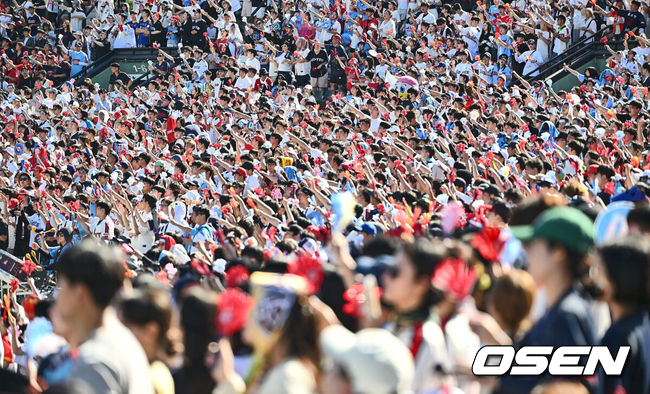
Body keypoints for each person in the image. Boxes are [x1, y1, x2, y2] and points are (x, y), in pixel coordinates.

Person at [502, 207, 597, 393]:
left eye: (534, 244)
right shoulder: (561, 307)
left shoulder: (568, 315)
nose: (525, 251)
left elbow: (571, 386)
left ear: (558, 253)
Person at [51, 239, 154, 393]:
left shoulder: (95, 361)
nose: (58, 294)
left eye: (63, 286)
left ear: (80, 293)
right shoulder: (120, 337)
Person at [593, 236, 650, 394]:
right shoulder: (642, 321)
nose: (594, 277)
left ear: (618, 278)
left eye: (599, 269)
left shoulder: (619, 337)